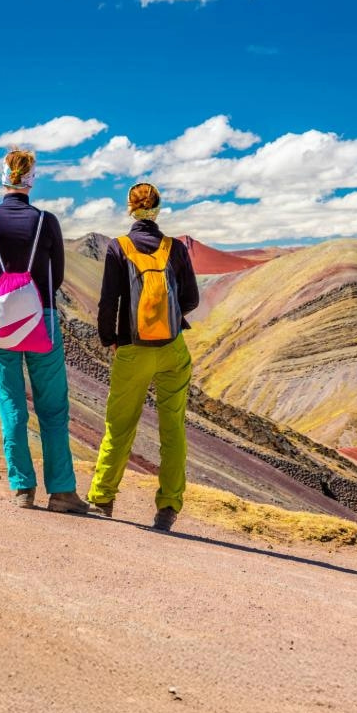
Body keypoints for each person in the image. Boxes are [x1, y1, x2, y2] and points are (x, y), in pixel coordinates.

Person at [0, 149, 89, 514]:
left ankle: (23, 488)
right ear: (32, 178)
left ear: (3, 177)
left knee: (11, 405)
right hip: (43, 320)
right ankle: (62, 492)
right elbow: (59, 274)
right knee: (52, 409)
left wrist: (6, 302)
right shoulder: (46, 222)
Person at [87, 182, 200, 530]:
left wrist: (112, 339)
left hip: (132, 350)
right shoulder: (175, 248)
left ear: (130, 209)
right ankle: (167, 508)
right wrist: (170, 320)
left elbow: (109, 303)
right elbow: (192, 299)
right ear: (158, 209)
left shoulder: (118, 247)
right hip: (172, 349)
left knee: (119, 427)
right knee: (173, 429)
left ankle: (103, 497)